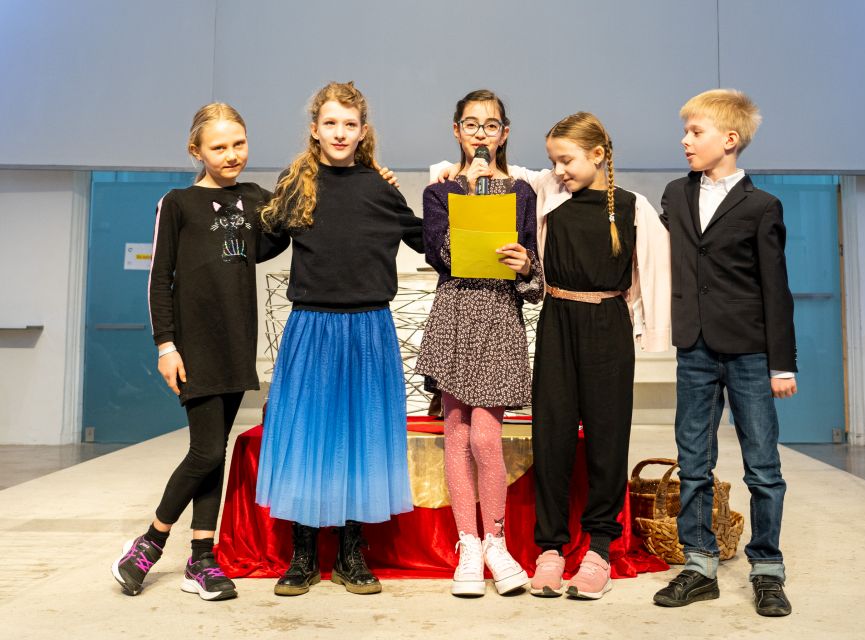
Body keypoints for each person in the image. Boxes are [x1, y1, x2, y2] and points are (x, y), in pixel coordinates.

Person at [434, 111, 671, 600]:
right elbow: (505, 174)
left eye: (566, 160)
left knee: (607, 439)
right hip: (557, 322)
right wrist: (447, 167)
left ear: (598, 155)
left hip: (607, 326)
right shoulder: (549, 193)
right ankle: (550, 548)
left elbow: (655, 268)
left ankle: (600, 549)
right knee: (553, 437)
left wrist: (653, 336)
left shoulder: (633, 207)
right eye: (553, 161)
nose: (559, 169)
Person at [254, 81, 424, 597]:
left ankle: (352, 553)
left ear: (363, 131)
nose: (340, 132)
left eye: (350, 124)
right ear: (314, 130)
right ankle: (304, 556)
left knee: (360, 440)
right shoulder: (296, 185)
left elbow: (428, 238)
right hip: (312, 327)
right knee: (308, 438)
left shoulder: (379, 186)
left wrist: (467, 207)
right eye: (330, 123)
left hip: (369, 328)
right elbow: (261, 245)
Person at [112, 102, 285, 601]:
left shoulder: (254, 199)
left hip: (236, 345)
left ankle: (203, 559)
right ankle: (149, 543)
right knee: (206, 449)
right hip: (194, 347)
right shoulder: (179, 203)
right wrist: (166, 345)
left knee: (216, 451)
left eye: (239, 144)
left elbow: (283, 230)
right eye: (219, 147)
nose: (231, 155)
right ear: (197, 151)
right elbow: (159, 280)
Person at [651, 89, 797, 617]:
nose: (685, 141)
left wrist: (782, 362)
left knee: (762, 464)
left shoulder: (762, 206)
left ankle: (767, 567)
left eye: (696, 132)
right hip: (694, 346)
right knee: (693, 458)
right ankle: (699, 563)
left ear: (729, 140)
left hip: (751, 351)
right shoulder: (674, 194)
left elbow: (776, 289)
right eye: (686, 131)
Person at [417, 89, 543, 597]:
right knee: (456, 434)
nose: (481, 134)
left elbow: (533, 277)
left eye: (491, 126)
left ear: (505, 133)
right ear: (456, 131)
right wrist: (465, 191)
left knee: (487, 438)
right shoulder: (440, 192)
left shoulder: (523, 192)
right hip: (454, 315)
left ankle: (496, 540)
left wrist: (526, 266)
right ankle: (467, 545)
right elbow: (439, 255)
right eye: (471, 125)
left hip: (497, 317)